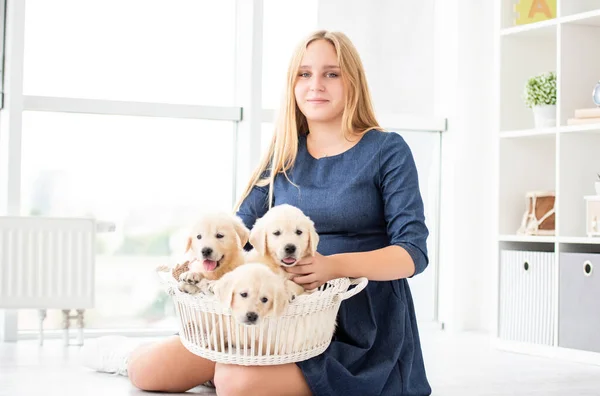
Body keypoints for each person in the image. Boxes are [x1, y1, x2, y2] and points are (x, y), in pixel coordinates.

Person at [82, 29, 432, 396]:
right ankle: (138, 355)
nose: (316, 85)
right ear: (292, 85)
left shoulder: (387, 150)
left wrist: (332, 266)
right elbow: (238, 234)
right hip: (276, 314)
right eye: (304, 73)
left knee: (237, 382)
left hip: (362, 325)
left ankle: (234, 372)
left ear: (353, 82)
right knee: (148, 371)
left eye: (332, 73)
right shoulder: (284, 155)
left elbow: (412, 254)